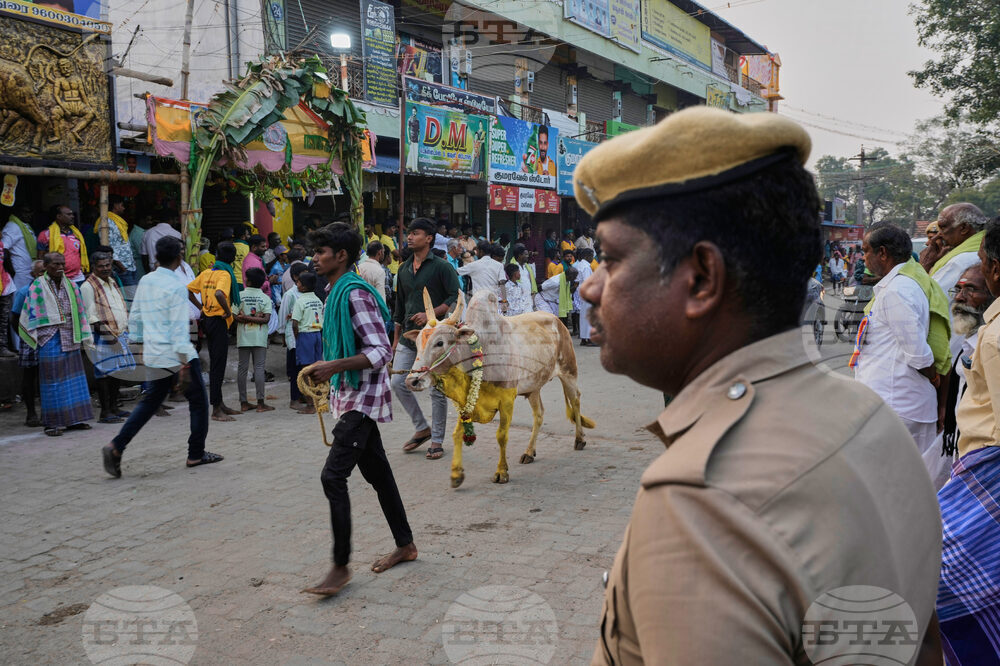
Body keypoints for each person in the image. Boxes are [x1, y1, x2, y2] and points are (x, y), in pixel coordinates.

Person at [572, 107, 942, 663]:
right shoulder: (867, 414)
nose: (589, 289)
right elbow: (927, 643)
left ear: (700, 278)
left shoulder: (703, 502)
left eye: (609, 258)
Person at [298, 224, 416, 596]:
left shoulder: (353, 294)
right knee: (379, 475)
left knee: (332, 478)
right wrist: (329, 368)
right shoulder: (335, 292)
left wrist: (333, 367)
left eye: (321, 252)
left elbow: (381, 352)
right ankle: (406, 544)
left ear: (342, 256)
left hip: (360, 401)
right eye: (315, 252)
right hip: (350, 396)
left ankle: (340, 567)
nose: (315, 258)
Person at [102, 236, 223, 478]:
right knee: (198, 403)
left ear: (156, 256)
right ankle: (196, 453)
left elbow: (134, 316)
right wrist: (184, 361)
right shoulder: (177, 286)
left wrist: (139, 343)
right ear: (179, 257)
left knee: (149, 403)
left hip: (154, 352)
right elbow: (178, 327)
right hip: (176, 354)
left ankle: (117, 445)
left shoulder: (146, 280)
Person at [937, 219, 1000, 662]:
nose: (962, 296)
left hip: (990, 476)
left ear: (995, 270)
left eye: (976, 276)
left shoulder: (995, 337)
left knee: (941, 585)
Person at [852, 224, 951, 452]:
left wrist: (933, 378)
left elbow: (918, 353)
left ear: (883, 253)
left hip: (899, 407)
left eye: (866, 251)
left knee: (896, 482)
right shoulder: (900, 285)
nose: (863, 258)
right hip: (895, 405)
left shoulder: (898, 290)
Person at [391, 218, 459, 460]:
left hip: (434, 338)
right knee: (398, 383)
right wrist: (395, 340)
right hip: (408, 338)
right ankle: (422, 428)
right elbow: (399, 307)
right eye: (408, 233)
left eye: (415, 233)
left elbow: (454, 296)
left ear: (429, 238)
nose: (409, 237)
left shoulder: (442, 266)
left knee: (437, 390)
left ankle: (437, 440)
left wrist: (431, 313)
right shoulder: (403, 269)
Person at [926, 264, 994, 490]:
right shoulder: (968, 345)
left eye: (971, 289)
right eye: (958, 290)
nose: (960, 298)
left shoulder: (992, 345)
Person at [17, 252, 93, 436]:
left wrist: (82, 334)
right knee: (52, 381)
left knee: (73, 380)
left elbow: (80, 311)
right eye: (56, 264)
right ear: (47, 266)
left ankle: (73, 420)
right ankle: (51, 423)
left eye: (62, 264)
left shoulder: (72, 285)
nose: (60, 267)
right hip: (49, 336)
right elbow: (29, 313)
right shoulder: (37, 286)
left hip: (70, 335)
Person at [188, 241, 241, 422]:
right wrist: (227, 311)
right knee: (218, 364)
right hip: (218, 320)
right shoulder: (225, 275)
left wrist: (201, 307)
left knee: (217, 363)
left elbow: (189, 290)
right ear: (233, 258)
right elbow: (219, 294)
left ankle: (220, 403)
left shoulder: (206, 273)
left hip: (208, 320)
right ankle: (216, 409)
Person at [80, 251, 131, 423]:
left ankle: (114, 407)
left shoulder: (112, 281)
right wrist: (111, 338)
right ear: (93, 267)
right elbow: (91, 317)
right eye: (101, 266)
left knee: (117, 372)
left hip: (119, 333)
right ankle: (105, 411)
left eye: (108, 265)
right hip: (102, 335)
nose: (105, 269)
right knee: (103, 374)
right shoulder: (88, 287)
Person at [235, 267, 273, 413]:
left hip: (243, 336)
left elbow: (235, 316)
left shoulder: (239, 296)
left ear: (247, 280)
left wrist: (244, 317)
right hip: (259, 337)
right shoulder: (265, 298)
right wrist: (258, 317)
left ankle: (243, 402)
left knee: (242, 369)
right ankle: (261, 403)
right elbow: (266, 320)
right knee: (259, 368)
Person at [12, 260, 44, 426]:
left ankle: (48, 412)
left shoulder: (51, 290)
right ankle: (31, 413)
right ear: (33, 275)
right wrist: (24, 337)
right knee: (30, 376)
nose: (43, 275)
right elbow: (14, 317)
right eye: (40, 272)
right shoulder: (24, 292)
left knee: (47, 376)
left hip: (47, 338)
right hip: (30, 337)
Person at [292, 271, 324, 415]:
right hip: (318, 334)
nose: (297, 284)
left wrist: (297, 337)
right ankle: (319, 400)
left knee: (305, 370)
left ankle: (310, 404)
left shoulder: (300, 301)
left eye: (298, 282)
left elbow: (295, 323)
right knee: (317, 368)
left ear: (303, 287)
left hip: (305, 335)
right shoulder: (317, 299)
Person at [279, 262, 309, 411]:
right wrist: (283, 334)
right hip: (293, 335)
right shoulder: (290, 294)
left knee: (304, 367)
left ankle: (303, 393)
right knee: (296, 369)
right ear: (296, 277)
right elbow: (283, 314)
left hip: (306, 335)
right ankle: (294, 399)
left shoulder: (307, 292)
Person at [37, 205, 88, 284]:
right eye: (68, 214)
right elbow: (40, 258)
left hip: (78, 278)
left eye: (72, 214)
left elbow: (80, 254)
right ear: (59, 216)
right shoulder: (46, 234)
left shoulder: (77, 234)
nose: (72, 216)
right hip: (57, 278)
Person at [96, 195, 138, 287]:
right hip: (121, 268)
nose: (124, 208)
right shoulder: (106, 222)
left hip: (130, 267)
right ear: (116, 205)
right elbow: (107, 248)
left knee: (132, 297)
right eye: (122, 205)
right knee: (128, 298)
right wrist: (122, 268)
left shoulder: (117, 221)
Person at [3, 204, 37, 290]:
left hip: (29, 270)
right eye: (25, 212)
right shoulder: (12, 226)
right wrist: (11, 270)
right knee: (20, 297)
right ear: (17, 213)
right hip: (20, 271)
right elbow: (3, 248)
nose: (29, 215)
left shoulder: (26, 226)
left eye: (31, 212)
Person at [573, 250, 594, 345]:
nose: (592, 258)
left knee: (583, 316)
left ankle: (584, 339)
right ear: (586, 256)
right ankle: (588, 339)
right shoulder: (585, 267)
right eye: (591, 256)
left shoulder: (580, 265)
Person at [509, 244, 537, 312]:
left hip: (528, 300)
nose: (528, 256)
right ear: (519, 255)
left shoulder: (527, 267)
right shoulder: (512, 267)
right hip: (518, 301)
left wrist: (533, 303)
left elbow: (532, 285)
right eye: (526, 254)